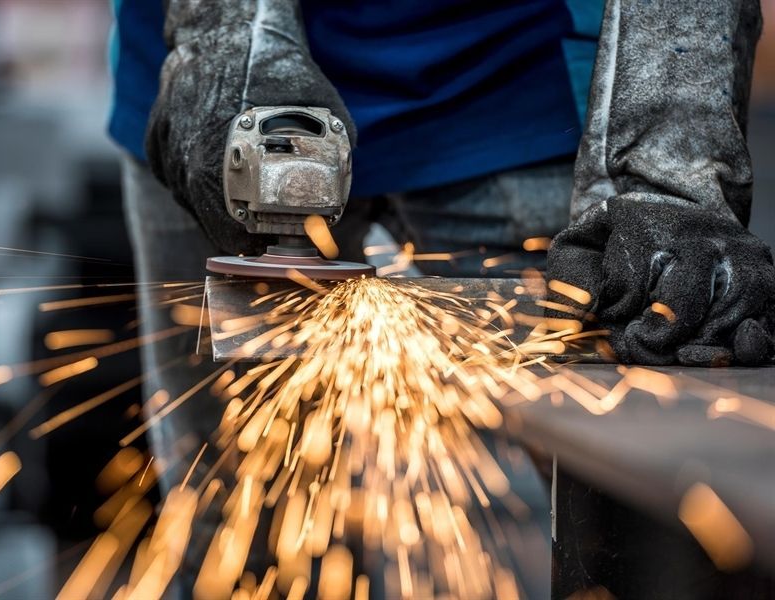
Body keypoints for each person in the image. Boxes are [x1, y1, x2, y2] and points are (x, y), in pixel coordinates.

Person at [109, 0, 773, 593]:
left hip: (502, 76)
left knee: (507, 540)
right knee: (234, 527)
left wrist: (668, 167)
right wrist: (221, 31)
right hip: (212, 99)